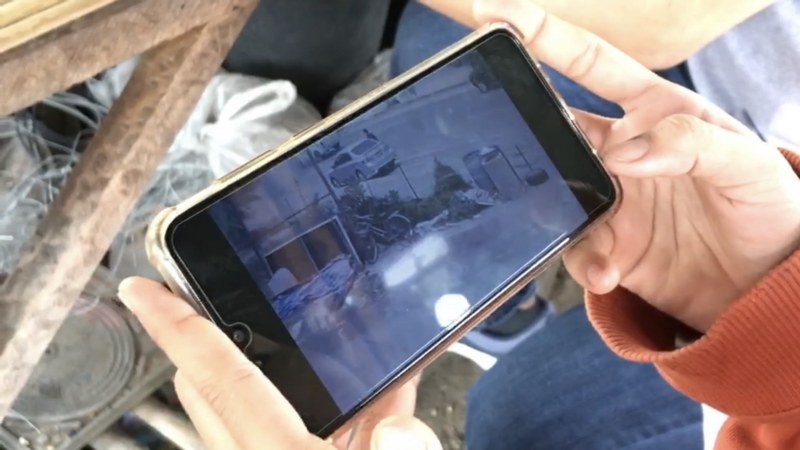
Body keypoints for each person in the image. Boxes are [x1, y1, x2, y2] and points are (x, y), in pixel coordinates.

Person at [118, 2, 800, 450]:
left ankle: (489, 298)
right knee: (447, 51)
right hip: (745, 143)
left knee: (520, 419)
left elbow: (661, 27)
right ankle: (497, 301)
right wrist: (771, 301)